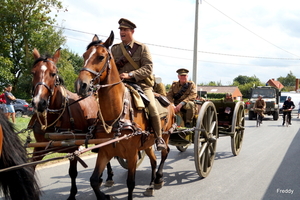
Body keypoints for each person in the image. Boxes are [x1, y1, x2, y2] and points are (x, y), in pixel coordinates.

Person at [111, 18, 166, 151]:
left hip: (141, 85)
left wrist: (130, 75)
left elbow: (148, 68)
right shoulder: (115, 49)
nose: (122, 32)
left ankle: (159, 138)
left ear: (132, 31)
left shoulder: (142, 48)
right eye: (121, 30)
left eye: (125, 30)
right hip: (120, 84)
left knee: (152, 107)